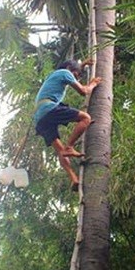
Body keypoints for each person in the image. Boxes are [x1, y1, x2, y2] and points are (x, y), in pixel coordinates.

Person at [34, 59, 102, 190]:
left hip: (39, 117)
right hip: (49, 108)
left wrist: (82, 65)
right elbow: (83, 91)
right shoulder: (65, 72)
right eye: (76, 75)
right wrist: (93, 84)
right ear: (70, 68)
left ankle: (74, 179)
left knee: (61, 151)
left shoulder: (56, 74)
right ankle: (70, 146)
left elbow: (73, 70)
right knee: (85, 118)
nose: (76, 78)